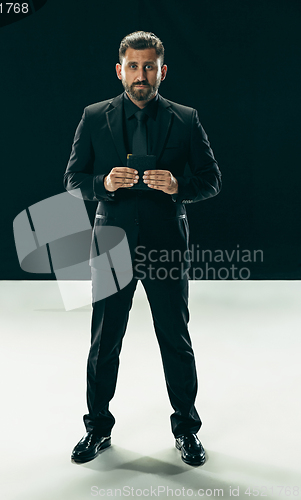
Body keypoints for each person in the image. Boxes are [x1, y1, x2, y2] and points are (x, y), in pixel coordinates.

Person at [63, 31, 222, 466]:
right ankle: (96, 429)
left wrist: (178, 187)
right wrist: (103, 184)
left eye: (149, 66)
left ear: (162, 71)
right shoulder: (94, 116)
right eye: (133, 66)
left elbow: (211, 180)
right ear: (120, 70)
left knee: (175, 340)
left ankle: (186, 431)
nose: (141, 75)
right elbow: (73, 181)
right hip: (112, 246)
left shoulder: (186, 119)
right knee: (104, 342)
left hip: (166, 247)